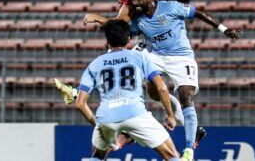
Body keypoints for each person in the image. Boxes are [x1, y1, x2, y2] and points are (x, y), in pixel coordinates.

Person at [55, 0, 206, 151]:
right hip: (145, 38)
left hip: (151, 40)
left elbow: (120, 24)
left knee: (118, 65)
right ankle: (191, 129)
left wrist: (98, 18)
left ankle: (123, 125)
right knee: (149, 89)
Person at [127, 0, 242, 161]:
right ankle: (193, 130)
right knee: (154, 93)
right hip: (156, 56)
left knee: (185, 97)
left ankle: (188, 150)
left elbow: (198, 13)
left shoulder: (171, 7)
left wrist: (224, 29)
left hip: (181, 57)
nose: (134, 2)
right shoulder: (137, 19)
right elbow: (125, 33)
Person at [76, 19, 182, 161]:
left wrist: (97, 125)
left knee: (97, 156)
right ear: (128, 38)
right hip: (136, 114)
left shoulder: (95, 64)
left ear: (107, 41)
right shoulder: (139, 57)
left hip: (107, 117)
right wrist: (170, 115)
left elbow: (80, 103)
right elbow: (162, 88)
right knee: (171, 154)